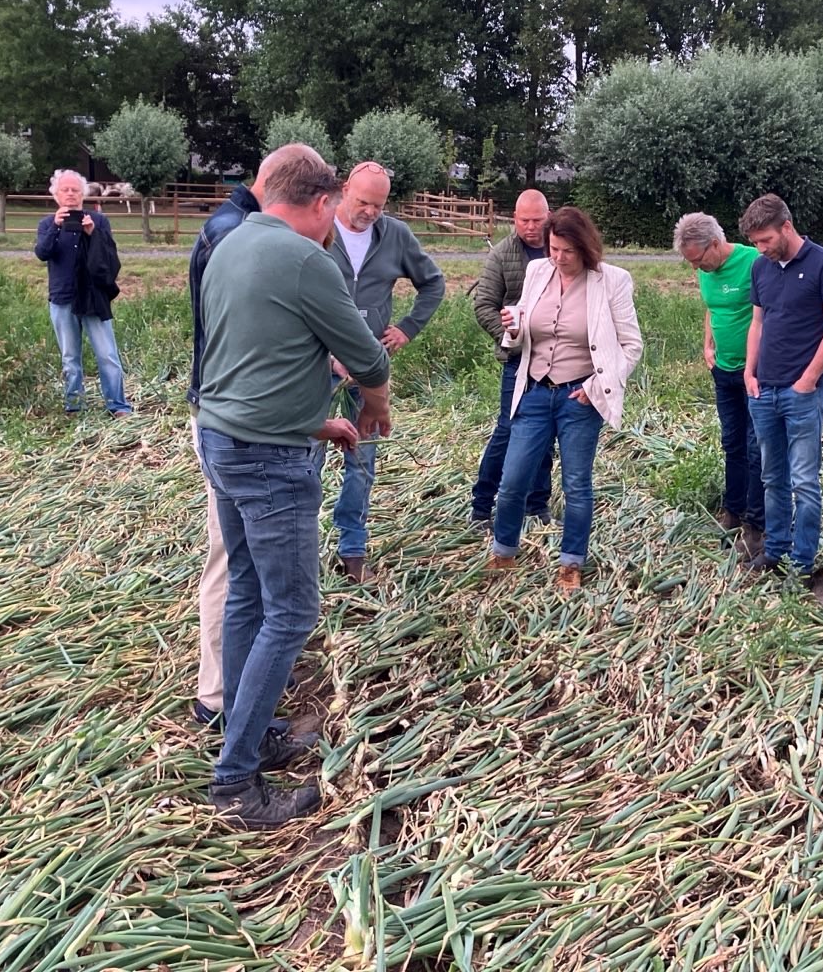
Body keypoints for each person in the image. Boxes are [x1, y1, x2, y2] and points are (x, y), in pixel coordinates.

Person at [196, 150, 393, 829]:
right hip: (269, 460)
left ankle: (247, 734)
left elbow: (250, 363)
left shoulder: (230, 243)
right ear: (320, 202)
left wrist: (315, 421)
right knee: (292, 612)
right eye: (334, 211)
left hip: (223, 439)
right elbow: (367, 357)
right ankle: (235, 784)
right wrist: (376, 409)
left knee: (248, 595)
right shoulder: (306, 260)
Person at [184, 146, 293, 731]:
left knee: (242, 560)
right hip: (230, 421)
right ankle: (219, 696)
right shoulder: (233, 235)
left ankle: (247, 675)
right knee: (230, 560)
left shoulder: (230, 226)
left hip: (225, 412)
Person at [485, 206, 642, 590]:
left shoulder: (612, 281)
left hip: (579, 399)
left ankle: (571, 562)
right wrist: (513, 328)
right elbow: (522, 331)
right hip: (535, 392)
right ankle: (503, 550)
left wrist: (595, 388)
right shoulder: (538, 271)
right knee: (513, 480)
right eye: (553, 249)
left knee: (576, 485)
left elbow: (631, 346)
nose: (558, 257)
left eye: (567, 251)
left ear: (585, 248)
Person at [325, 161, 446, 582]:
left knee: (362, 457)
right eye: (363, 202)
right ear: (345, 189)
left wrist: (407, 329)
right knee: (304, 455)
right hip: (317, 366)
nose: (371, 212)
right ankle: (300, 545)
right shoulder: (318, 229)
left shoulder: (395, 236)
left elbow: (433, 283)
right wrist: (327, 354)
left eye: (379, 205)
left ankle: (352, 550)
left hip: (369, 368)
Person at [739, 194, 823, 583]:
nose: (761, 248)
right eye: (755, 242)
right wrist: (749, 373)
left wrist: (808, 379)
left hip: (802, 393)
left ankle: (802, 562)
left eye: (766, 240)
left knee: (804, 480)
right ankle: (775, 550)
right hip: (763, 390)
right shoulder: (760, 268)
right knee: (772, 477)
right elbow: (758, 322)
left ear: (787, 227)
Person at [673, 212, 764, 557]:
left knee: (756, 448)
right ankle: (733, 510)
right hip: (723, 371)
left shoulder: (753, 262)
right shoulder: (704, 271)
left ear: (715, 244)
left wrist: (756, 363)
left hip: (754, 373)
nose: (695, 268)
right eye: (689, 262)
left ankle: (757, 522)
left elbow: (767, 313)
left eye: (698, 260)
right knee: (732, 443)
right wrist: (707, 344)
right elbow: (713, 309)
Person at [470, 189, 554, 529]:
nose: (531, 227)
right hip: (518, 360)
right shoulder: (502, 255)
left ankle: (537, 505)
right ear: (514, 219)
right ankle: (481, 507)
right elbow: (483, 306)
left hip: (553, 359)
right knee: (507, 430)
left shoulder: (560, 249)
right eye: (524, 221)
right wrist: (510, 338)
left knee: (545, 433)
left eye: (537, 220)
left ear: (548, 217)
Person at [34, 169, 131, 418]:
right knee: (70, 357)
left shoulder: (99, 221)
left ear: (83, 194)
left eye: (75, 190)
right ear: (56, 194)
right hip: (62, 297)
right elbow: (42, 253)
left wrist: (92, 234)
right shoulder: (47, 224)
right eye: (65, 190)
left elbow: (110, 257)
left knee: (107, 354)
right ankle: (75, 406)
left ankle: (118, 406)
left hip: (93, 297)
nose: (70, 194)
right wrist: (56, 227)